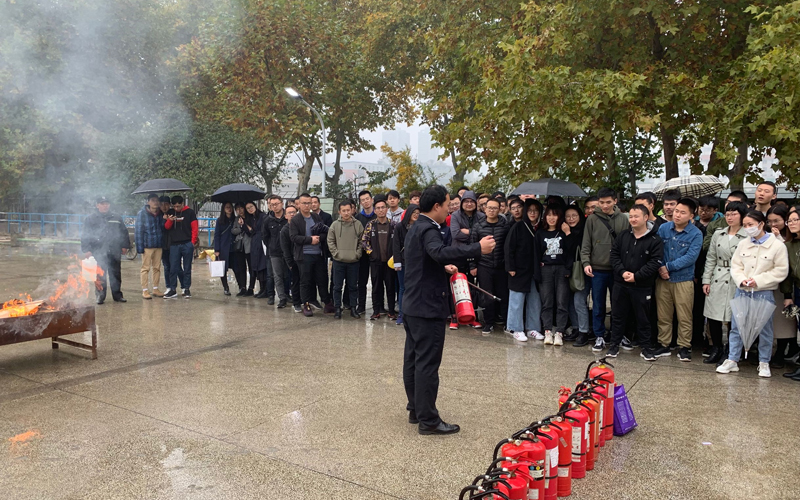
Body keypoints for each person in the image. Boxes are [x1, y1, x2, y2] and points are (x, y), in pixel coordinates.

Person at [402, 185, 495, 435]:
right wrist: (477, 248)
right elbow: (439, 251)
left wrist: (441, 266)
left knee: (413, 360)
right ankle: (429, 420)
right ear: (436, 207)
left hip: (413, 304)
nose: (448, 210)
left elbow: (426, 258)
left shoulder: (415, 227)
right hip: (427, 307)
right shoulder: (429, 229)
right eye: (446, 205)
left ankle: (416, 409)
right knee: (427, 364)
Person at [717, 211, 789, 378]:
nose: (748, 228)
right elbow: (736, 266)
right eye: (745, 225)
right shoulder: (743, 244)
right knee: (737, 327)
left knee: (764, 328)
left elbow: (780, 270)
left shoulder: (777, 245)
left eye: (751, 224)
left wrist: (758, 280)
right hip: (742, 290)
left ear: (761, 224)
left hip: (763, 291)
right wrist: (741, 280)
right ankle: (732, 359)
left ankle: (764, 362)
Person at [606, 204, 664, 359]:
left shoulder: (655, 239)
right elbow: (614, 256)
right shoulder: (623, 236)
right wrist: (622, 272)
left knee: (643, 318)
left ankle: (646, 348)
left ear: (645, 217)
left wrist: (637, 276)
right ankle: (614, 346)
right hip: (621, 283)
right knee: (617, 316)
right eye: (630, 216)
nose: (632, 219)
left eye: (636, 216)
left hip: (642, 286)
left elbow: (655, 262)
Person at [579, 188, 631, 350]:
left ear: (615, 201)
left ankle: (618, 335)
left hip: (617, 269)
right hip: (597, 269)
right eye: (601, 202)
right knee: (598, 305)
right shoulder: (592, 219)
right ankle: (599, 335)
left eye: (608, 202)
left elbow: (627, 244)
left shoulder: (623, 219)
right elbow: (586, 243)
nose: (605, 206)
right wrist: (586, 263)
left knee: (618, 305)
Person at [654, 198, 703, 361]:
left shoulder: (696, 233)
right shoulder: (663, 228)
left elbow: (691, 257)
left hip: (683, 279)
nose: (677, 215)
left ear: (691, 216)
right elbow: (657, 249)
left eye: (682, 212)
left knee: (684, 315)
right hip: (662, 279)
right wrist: (661, 267)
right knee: (663, 314)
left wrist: (668, 267)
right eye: (676, 211)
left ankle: (684, 346)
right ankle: (664, 344)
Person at [701, 202, 749, 365]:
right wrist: (706, 280)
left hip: (737, 277)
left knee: (732, 316)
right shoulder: (718, 233)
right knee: (713, 315)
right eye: (728, 214)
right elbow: (711, 258)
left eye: (734, 214)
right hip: (718, 275)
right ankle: (716, 348)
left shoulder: (747, 235)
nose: (730, 217)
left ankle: (731, 350)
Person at [505, 199, 543, 342]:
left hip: (535, 270)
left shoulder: (541, 227)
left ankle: (533, 328)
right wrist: (510, 267)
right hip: (518, 269)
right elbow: (509, 248)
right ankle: (515, 328)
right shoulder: (518, 226)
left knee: (535, 300)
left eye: (536, 210)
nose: (533, 213)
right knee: (517, 300)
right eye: (530, 210)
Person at [81, 196, 131, 304]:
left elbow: (123, 232)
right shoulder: (90, 219)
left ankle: (117, 295)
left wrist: (125, 246)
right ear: (97, 205)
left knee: (116, 274)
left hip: (114, 250)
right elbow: (85, 235)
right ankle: (100, 296)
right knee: (100, 275)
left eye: (107, 203)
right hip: (98, 251)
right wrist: (86, 250)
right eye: (102, 203)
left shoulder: (116, 217)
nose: (105, 206)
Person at [536, 204, 574, 346]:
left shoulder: (563, 232)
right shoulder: (540, 233)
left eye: (555, 215)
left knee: (562, 302)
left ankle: (559, 332)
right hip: (545, 269)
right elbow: (536, 254)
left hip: (561, 269)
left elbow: (571, 250)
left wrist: (568, 233)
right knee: (547, 302)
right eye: (549, 215)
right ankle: (547, 330)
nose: (551, 218)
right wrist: (537, 272)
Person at [470, 198, 510, 334]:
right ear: (485, 209)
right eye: (489, 208)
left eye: (495, 208)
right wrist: (472, 265)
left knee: (503, 294)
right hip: (484, 265)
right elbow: (473, 247)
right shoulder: (478, 226)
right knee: (487, 295)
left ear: (500, 210)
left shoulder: (505, 225)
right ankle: (488, 323)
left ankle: (506, 322)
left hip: (501, 265)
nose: (492, 210)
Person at [290, 193, 333, 316]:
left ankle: (327, 303)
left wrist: (319, 238)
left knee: (322, 279)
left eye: (309, 203)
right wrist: (310, 240)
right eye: (304, 203)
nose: (307, 205)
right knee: (306, 281)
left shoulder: (316, 217)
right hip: (304, 255)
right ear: (299, 204)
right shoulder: (295, 220)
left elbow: (325, 231)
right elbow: (294, 237)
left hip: (318, 253)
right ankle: (306, 304)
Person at [448, 190, 486, 329]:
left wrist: (467, 231)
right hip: (458, 254)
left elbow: (482, 234)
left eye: (471, 201)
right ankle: (454, 316)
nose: (469, 204)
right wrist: (473, 233)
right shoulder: (455, 216)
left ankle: (472, 317)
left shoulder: (481, 216)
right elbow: (455, 234)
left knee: (472, 287)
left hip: (475, 255)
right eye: (466, 201)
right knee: (456, 286)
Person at [328, 200, 364, 319]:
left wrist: (357, 254)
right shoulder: (334, 225)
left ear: (352, 210)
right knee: (337, 287)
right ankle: (338, 308)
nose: (346, 213)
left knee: (353, 286)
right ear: (339, 212)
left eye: (348, 210)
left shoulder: (358, 224)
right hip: (339, 261)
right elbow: (330, 241)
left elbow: (362, 241)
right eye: (343, 211)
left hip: (353, 261)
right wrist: (336, 254)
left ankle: (353, 308)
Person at [362, 195, 397, 320]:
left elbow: (399, 242)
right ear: (375, 210)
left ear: (387, 209)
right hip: (375, 262)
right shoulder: (371, 225)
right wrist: (371, 253)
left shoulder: (394, 225)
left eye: (383, 207)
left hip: (390, 263)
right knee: (376, 287)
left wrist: (395, 256)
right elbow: (364, 241)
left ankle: (391, 311)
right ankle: (376, 311)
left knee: (391, 287)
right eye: (378, 208)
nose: (381, 210)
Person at [164, 196, 198, 299]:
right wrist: (170, 220)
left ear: (182, 204)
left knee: (187, 268)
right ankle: (173, 289)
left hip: (187, 243)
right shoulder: (171, 212)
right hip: (174, 244)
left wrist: (192, 242)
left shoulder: (190, 213)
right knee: (173, 268)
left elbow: (194, 228)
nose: (176, 208)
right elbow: (166, 227)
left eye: (178, 206)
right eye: (174, 206)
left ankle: (186, 288)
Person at [779, 212, 800, 379]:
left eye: (796, 220)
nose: (791, 223)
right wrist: (787, 294)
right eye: (789, 221)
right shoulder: (789, 245)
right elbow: (786, 273)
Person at [564, 205, 589, 342]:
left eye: (574, 215)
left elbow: (575, 248)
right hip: (568, 271)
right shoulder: (562, 230)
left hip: (582, 271)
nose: (571, 219)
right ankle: (576, 328)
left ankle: (584, 331)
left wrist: (568, 234)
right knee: (570, 302)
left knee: (579, 301)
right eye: (568, 216)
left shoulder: (585, 230)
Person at [393, 204, 419, 326]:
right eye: (414, 213)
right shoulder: (400, 227)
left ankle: (414, 313)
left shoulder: (419, 227)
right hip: (402, 262)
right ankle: (401, 314)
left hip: (416, 263)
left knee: (415, 288)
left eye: (418, 213)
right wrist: (397, 262)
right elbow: (396, 245)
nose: (416, 215)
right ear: (408, 213)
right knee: (403, 288)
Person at [135, 194, 164, 299]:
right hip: (147, 245)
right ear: (148, 202)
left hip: (158, 245)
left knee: (157, 268)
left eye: (157, 200)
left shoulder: (160, 213)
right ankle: (145, 290)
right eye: (153, 200)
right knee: (145, 268)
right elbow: (138, 231)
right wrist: (140, 248)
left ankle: (155, 288)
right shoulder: (142, 214)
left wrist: (165, 219)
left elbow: (162, 228)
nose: (155, 202)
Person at [263, 196, 291, 308]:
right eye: (272, 204)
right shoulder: (268, 220)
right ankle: (282, 298)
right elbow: (265, 237)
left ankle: (287, 294)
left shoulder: (288, 218)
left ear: (282, 204)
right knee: (277, 276)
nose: (275, 206)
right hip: (274, 252)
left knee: (287, 275)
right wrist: (271, 245)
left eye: (277, 204)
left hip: (288, 251)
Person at [243, 201, 272, 300]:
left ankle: (266, 290)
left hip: (262, 242)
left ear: (255, 206)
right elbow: (250, 233)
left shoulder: (263, 216)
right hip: (254, 243)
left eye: (251, 206)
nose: (250, 209)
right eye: (248, 208)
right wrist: (244, 225)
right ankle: (262, 289)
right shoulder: (251, 219)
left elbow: (262, 230)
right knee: (256, 266)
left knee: (263, 265)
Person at [355, 190, 377, 315]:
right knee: (361, 281)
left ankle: (377, 306)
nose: (365, 202)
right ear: (360, 203)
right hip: (362, 254)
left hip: (376, 254)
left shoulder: (378, 215)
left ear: (372, 200)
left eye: (367, 199)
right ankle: (361, 305)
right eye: (363, 200)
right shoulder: (358, 218)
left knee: (376, 280)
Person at [280, 205, 302, 313]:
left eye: (294, 212)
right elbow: (285, 248)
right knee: (295, 282)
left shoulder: (300, 226)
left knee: (304, 281)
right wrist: (290, 263)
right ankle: (296, 303)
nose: (292, 214)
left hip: (302, 258)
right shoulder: (284, 230)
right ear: (285, 216)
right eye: (289, 213)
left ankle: (305, 300)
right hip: (293, 260)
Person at [213, 202, 236, 295]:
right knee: (222, 268)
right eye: (227, 207)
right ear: (223, 209)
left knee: (237, 267)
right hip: (223, 247)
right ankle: (226, 287)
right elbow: (217, 235)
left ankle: (241, 287)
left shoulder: (235, 219)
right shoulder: (220, 221)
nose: (229, 209)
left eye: (230, 207)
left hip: (234, 247)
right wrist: (217, 249)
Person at [231, 204, 253, 296]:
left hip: (249, 245)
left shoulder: (250, 218)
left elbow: (251, 230)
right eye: (237, 209)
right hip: (239, 246)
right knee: (241, 267)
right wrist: (240, 227)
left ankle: (251, 288)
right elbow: (233, 230)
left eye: (240, 208)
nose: (239, 210)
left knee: (251, 267)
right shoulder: (237, 219)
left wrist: (243, 225)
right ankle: (243, 287)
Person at [158, 196, 174, 291]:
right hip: (163, 245)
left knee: (175, 267)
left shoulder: (173, 213)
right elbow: (160, 228)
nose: (164, 207)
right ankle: (168, 286)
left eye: (166, 204)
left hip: (173, 244)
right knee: (166, 266)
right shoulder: (158, 215)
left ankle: (181, 286)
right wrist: (164, 220)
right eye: (162, 204)